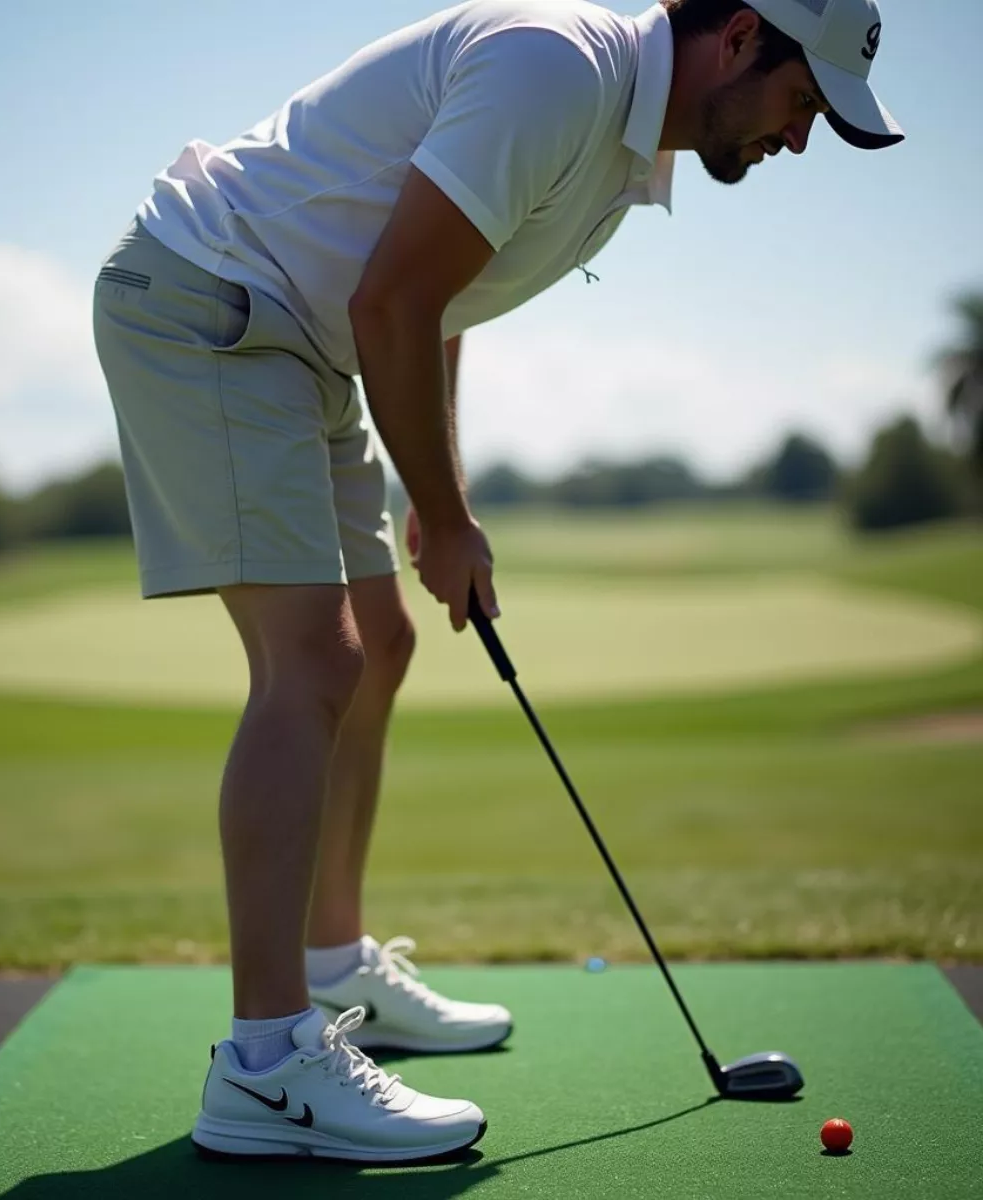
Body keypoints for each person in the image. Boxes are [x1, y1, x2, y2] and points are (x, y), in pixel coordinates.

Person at [92, 0, 902, 1165]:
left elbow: (441, 289)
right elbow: (395, 301)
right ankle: (267, 1065)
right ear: (738, 38)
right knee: (313, 662)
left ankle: (329, 963)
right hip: (213, 305)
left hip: (301, 336)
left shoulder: (622, 148)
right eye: (801, 100)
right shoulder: (556, 72)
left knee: (384, 637)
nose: (801, 136)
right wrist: (456, 514)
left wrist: (436, 492)